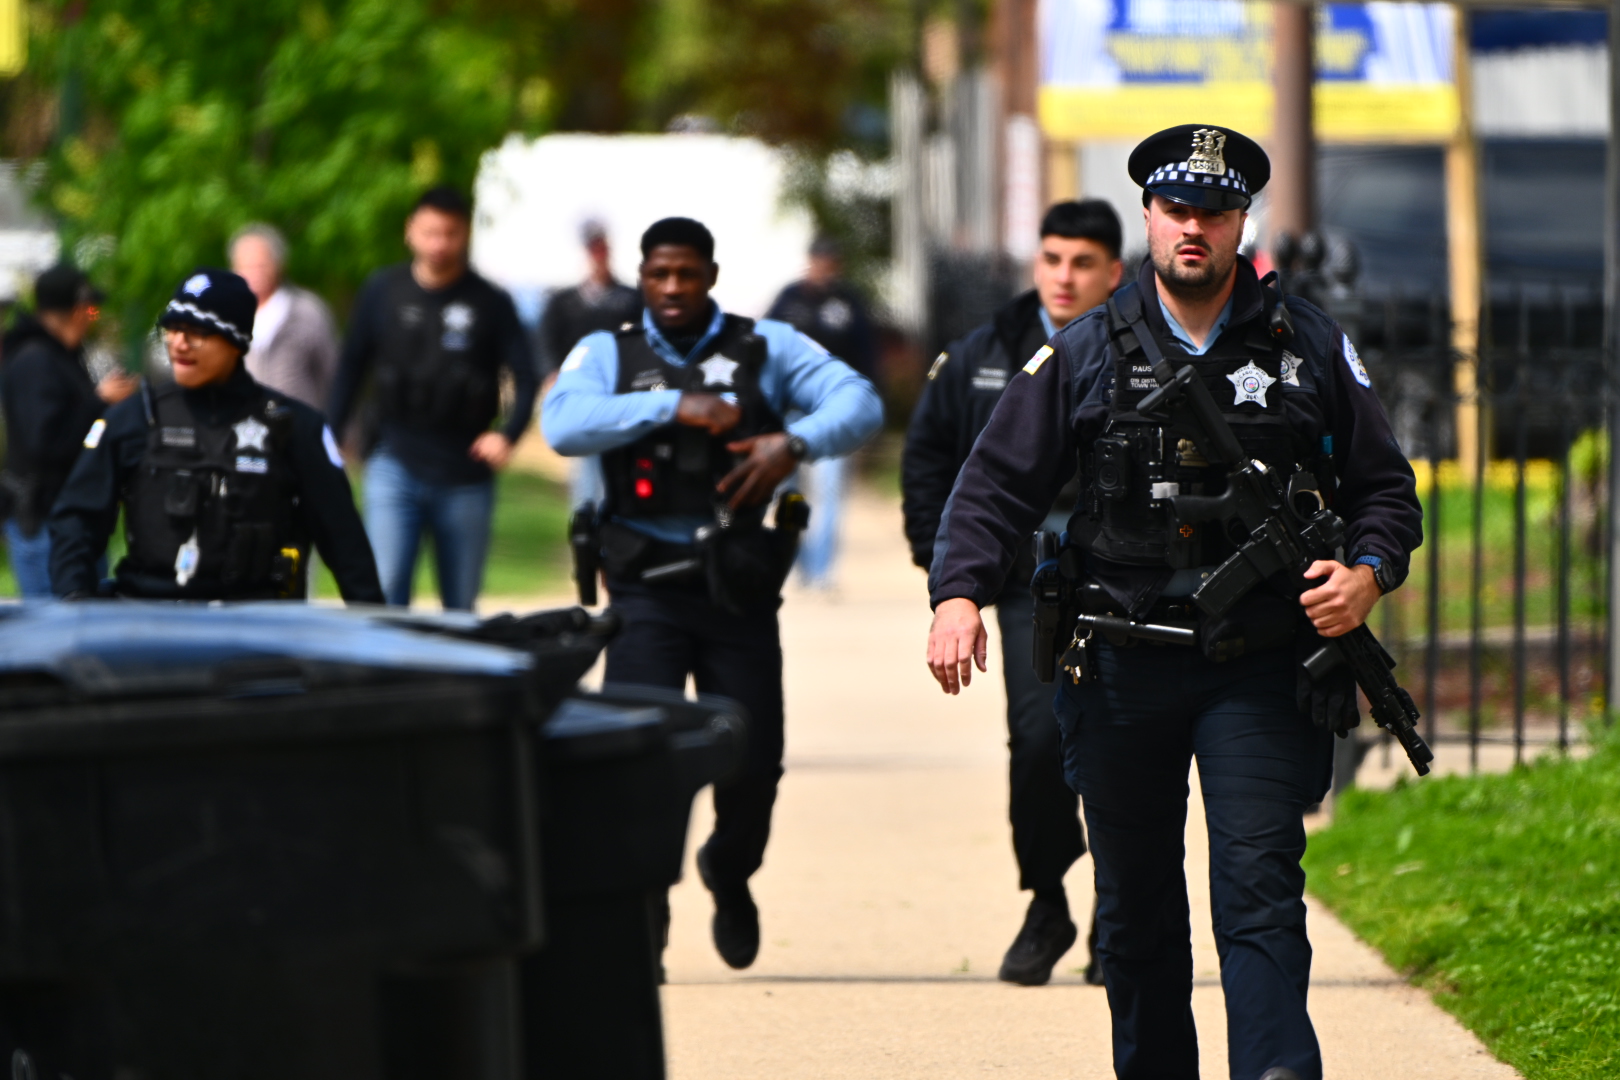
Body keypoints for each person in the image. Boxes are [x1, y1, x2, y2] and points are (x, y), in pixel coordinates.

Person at [922, 126, 1422, 1080]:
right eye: (1177, 209)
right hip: (1118, 665)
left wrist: (1368, 572)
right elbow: (992, 487)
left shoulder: (1309, 343)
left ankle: (1276, 1069)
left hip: (1263, 665)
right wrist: (958, 596)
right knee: (1137, 906)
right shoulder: (1083, 348)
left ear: (1242, 223)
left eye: (1215, 212)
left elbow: (1384, 490)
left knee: (1258, 888)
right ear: (1148, 216)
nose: (1194, 228)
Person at [543, 217, 883, 970]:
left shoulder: (765, 347)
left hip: (737, 589)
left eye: (686, 275)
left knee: (753, 764)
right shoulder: (608, 351)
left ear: (710, 275)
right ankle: (645, 914)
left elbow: (860, 404)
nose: (672, 288)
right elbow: (561, 424)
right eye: (659, 274)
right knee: (638, 763)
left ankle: (730, 872)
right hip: (643, 591)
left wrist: (791, 443)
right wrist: (672, 405)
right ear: (641, 277)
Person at [902, 199, 1123, 987]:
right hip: (1032, 583)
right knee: (1037, 744)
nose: (1065, 277)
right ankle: (1048, 897)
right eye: (1053, 259)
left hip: (1132, 581)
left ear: (1114, 271)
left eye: (1084, 262)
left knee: (1125, 748)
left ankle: (1117, 910)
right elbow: (933, 460)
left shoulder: (1142, 347)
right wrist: (952, 575)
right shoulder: (982, 353)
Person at [48, 269, 384, 604]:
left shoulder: (293, 425)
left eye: (198, 332)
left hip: (257, 627)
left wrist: (372, 623)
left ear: (235, 341)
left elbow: (343, 538)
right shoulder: (134, 419)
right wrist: (75, 596)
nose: (179, 343)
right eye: (174, 329)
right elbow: (78, 519)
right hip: (150, 618)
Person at [327, 186, 540, 611]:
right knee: (384, 592)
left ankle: (456, 678)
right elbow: (352, 365)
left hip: (466, 471)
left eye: (450, 233)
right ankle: (387, 677)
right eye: (430, 232)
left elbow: (527, 375)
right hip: (393, 459)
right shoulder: (382, 291)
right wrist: (332, 434)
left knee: (460, 605)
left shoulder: (491, 302)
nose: (439, 244)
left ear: (465, 235)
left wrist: (509, 435)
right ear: (410, 232)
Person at [0, 265, 138, 597]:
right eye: (91, 308)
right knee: (52, 634)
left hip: (73, 520)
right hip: (45, 520)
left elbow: (81, 436)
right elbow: (44, 445)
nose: (94, 317)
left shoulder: (63, 358)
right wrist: (99, 402)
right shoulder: (35, 360)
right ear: (75, 311)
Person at [765, 235, 878, 589]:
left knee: (829, 493)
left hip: (833, 412)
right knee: (788, 492)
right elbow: (764, 351)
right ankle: (794, 559)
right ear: (810, 261)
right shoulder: (788, 300)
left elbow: (868, 359)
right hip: (790, 413)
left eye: (830, 261)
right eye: (819, 260)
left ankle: (822, 569)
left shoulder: (849, 304)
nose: (824, 267)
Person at [229, 223, 341, 411]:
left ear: (278, 264)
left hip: (299, 429)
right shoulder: (224, 316)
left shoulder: (307, 312)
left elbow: (334, 375)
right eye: (246, 266)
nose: (253, 274)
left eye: (260, 265)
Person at [537, 219, 643, 381]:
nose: (599, 258)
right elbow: (546, 346)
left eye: (602, 250)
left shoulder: (632, 301)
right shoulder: (561, 304)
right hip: (574, 385)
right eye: (594, 251)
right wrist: (553, 375)